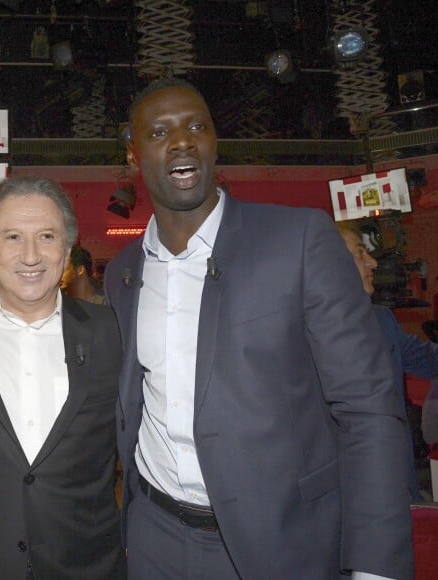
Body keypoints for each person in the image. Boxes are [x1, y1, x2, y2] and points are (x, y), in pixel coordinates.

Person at [104, 77, 413, 580]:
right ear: (134, 154)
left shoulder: (299, 240)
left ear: (213, 143)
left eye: (196, 127)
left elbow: (368, 407)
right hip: (153, 538)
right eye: (160, 132)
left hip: (280, 542)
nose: (182, 141)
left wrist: (374, 565)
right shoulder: (123, 273)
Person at [0, 176, 124, 580]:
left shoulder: (115, 332)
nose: (31, 255)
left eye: (47, 236)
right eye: (13, 237)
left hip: (88, 565)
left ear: (66, 250)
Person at [337, 221, 438, 500]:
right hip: (344, 495)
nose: (373, 263)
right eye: (360, 253)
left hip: (396, 484)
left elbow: (429, 360)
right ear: (331, 264)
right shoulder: (296, 332)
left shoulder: (381, 320)